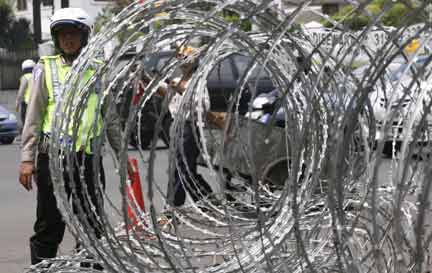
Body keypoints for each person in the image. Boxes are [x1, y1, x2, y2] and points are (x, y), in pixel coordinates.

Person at [18, 8, 126, 266]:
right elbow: (33, 117)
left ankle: (90, 268)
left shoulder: (99, 71)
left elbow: (110, 118)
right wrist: (26, 159)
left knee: (92, 224)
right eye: (63, 35)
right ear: (56, 39)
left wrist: (122, 158)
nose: (68, 40)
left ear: (84, 37)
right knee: (49, 224)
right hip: (53, 160)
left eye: (74, 34)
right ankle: (43, 269)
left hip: (88, 160)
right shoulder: (46, 69)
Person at [16, 59, 36, 128]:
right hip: (36, 102)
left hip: (27, 103)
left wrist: (17, 103)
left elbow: (21, 92)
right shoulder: (37, 76)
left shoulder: (25, 77)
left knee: (25, 120)